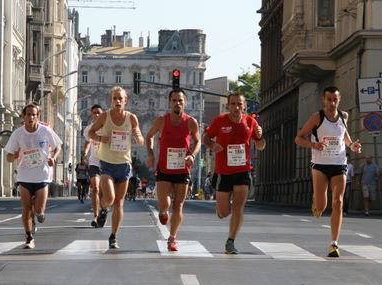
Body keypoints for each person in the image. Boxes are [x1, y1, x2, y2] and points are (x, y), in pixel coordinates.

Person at [295, 86, 361, 257]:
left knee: (338, 201)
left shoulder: (344, 116)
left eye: (335, 99)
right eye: (329, 99)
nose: (332, 103)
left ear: (339, 100)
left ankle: (334, 243)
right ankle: (316, 201)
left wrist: (353, 145)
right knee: (321, 206)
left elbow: (345, 138)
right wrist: (314, 145)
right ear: (323, 100)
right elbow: (299, 138)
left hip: (339, 164)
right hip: (320, 165)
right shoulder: (317, 117)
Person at [203, 92, 266, 254]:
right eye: (233, 104)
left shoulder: (250, 122)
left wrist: (260, 136)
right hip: (223, 172)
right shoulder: (220, 121)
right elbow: (206, 138)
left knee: (238, 207)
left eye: (239, 104)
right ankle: (222, 207)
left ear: (244, 106)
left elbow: (260, 146)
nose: (237, 107)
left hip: (242, 170)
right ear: (228, 106)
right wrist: (212, 146)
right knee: (224, 213)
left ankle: (230, 241)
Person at [89, 86, 144, 249]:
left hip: (124, 164)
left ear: (125, 101)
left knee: (119, 202)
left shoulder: (131, 118)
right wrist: (101, 138)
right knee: (110, 198)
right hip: (106, 163)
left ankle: (113, 236)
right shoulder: (105, 117)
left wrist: (138, 139)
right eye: (115, 98)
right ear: (110, 100)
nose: (118, 101)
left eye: (121, 98)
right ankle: (104, 209)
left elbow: (139, 135)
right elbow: (91, 133)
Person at [146, 88, 201, 251]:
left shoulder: (191, 121)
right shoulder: (161, 121)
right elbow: (149, 136)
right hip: (164, 168)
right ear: (169, 103)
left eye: (180, 100)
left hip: (182, 169)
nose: (177, 103)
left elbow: (197, 141)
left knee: (179, 204)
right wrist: (150, 154)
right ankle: (163, 212)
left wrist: (192, 155)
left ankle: (172, 238)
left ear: (185, 103)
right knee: (164, 204)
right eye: (174, 100)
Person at [4, 103, 62, 249]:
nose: (31, 117)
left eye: (34, 114)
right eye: (28, 114)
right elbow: (9, 157)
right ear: (24, 116)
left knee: (39, 211)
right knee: (26, 207)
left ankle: (39, 215)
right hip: (24, 175)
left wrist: (53, 158)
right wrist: (14, 155)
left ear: (38, 116)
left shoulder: (45, 131)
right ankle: (29, 237)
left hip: (42, 175)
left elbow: (58, 146)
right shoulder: (18, 133)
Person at [83, 104, 104, 227]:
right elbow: (87, 142)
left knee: (103, 191)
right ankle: (96, 216)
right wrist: (85, 153)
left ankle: (103, 211)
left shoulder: (108, 127)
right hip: (94, 162)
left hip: (107, 162)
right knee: (95, 188)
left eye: (98, 112)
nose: (96, 115)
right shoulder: (89, 128)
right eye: (94, 112)